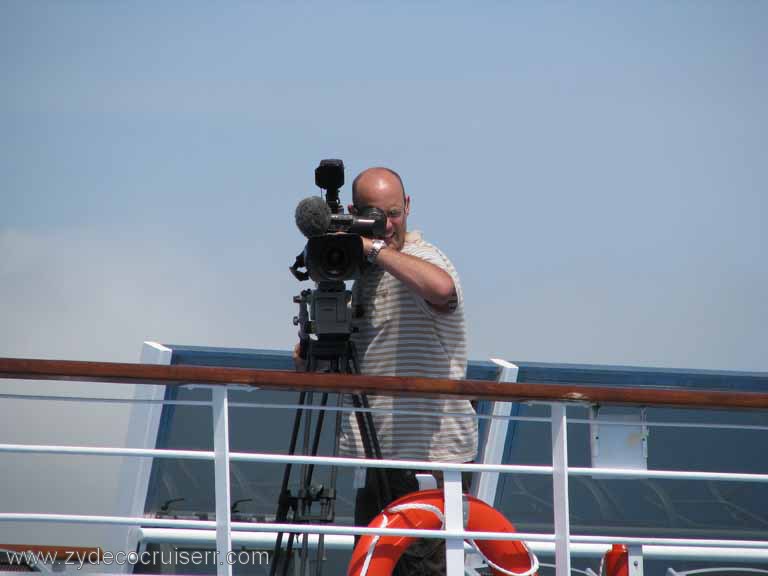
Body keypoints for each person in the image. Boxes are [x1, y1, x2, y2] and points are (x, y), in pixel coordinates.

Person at [345, 167, 477, 574]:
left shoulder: (421, 258)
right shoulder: (370, 274)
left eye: (394, 214)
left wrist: (373, 250)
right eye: (373, 216)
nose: (386, 225)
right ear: (353, 214)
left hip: (428, 460)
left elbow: (440, 289)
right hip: (381, 458)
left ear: (408, 207)